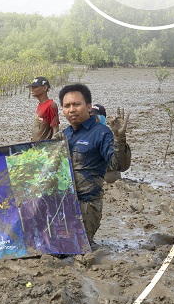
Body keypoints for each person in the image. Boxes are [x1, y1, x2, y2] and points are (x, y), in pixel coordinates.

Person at [56, 84, 131, 244]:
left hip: (87, 206)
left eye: (77, 104)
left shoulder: (101, 132)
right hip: (63, 204)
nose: (72, 109)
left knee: (71, 247)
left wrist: (119, 139)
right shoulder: (64, 135)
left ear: (88, 106)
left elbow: (119, 165)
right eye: (67, 106)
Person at [90, 104, 121, 183]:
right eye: (89, 116)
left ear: (101, 118)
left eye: (94, 116)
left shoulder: (106, 134)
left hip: (107, 173)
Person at [26, 76, 60, 142]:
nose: (32, 89)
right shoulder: (40, 105)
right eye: (32, 87)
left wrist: (54, 145)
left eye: (35, 87)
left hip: (44, 147)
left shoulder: (51, 105)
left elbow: (55, 127)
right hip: (36, 146)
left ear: (44, 88)